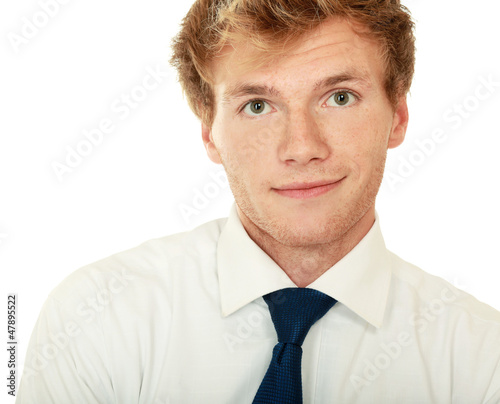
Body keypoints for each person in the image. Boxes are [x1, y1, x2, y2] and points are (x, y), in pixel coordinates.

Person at [17, 0, 500, 403]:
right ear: (209, 133)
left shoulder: (482, 361)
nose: (302, 147)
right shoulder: (98, 320)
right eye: (257, 106)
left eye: (339, 97)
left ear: (397, 115)